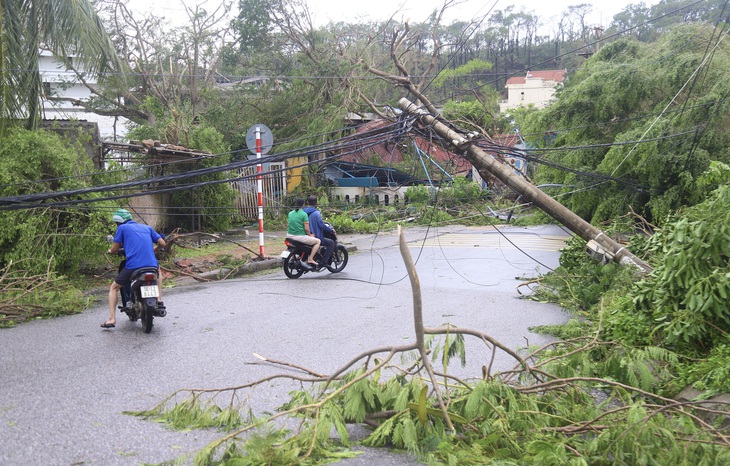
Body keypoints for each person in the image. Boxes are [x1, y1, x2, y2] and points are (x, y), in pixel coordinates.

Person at [102, 209, 166, 329]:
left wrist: (111, 251)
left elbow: (115, 248)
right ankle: (159, 299)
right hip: (151, 265)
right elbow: (162, 243)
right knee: (159, 272)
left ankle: (112, 319)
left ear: (118, 222)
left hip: (133, 266)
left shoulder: (122, 228)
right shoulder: (147, 228)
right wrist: (154, 250)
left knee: (114, 288)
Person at [287, 197, 320, 268]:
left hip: (289, 236)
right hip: (299, 237)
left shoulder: (290, 213)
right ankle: (310, 259)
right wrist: (310, 235)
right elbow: (307, 229)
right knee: (317, 241)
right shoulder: (303, 214)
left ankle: (296, 257)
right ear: (304, 204)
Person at [303, 195, 336, 265]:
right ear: (316, 203)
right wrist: (330, 230)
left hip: (305, 235)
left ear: (308, 202)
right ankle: (323, 262)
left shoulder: (303, 211)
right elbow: (321, 224)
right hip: (315, 235)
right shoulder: (316, 213)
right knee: (331, 243)